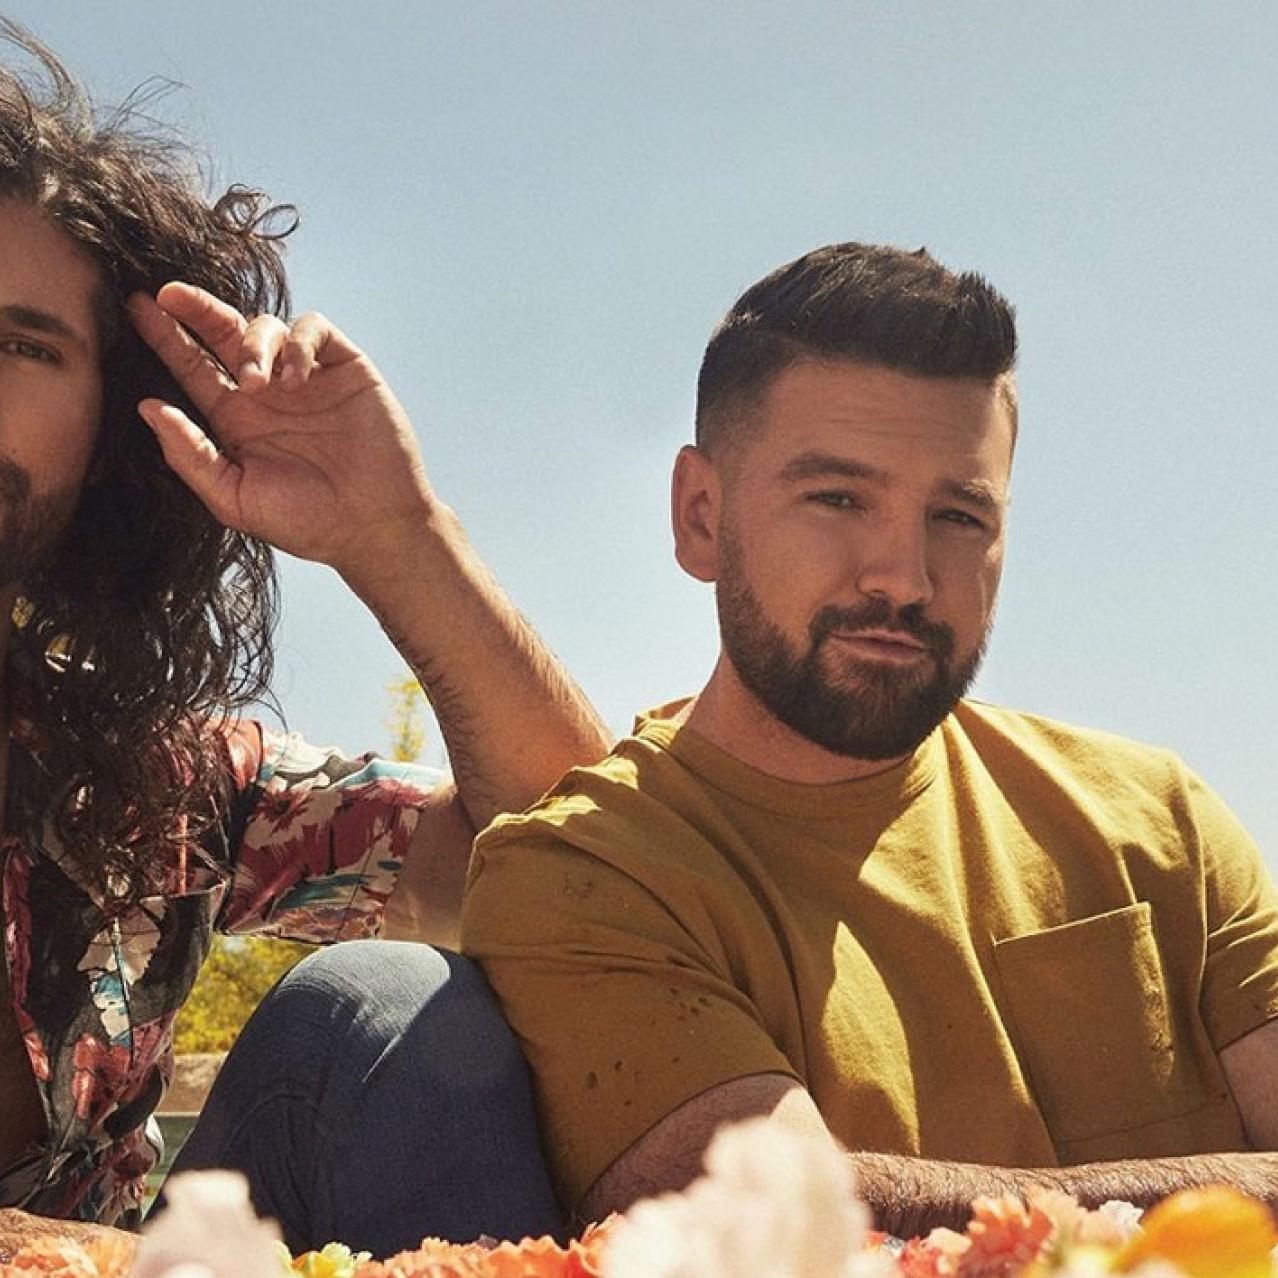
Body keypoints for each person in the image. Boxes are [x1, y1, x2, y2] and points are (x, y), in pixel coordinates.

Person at [460, 241, 1278, 1240]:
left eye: (959, 514)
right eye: (839, 498)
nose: (905, 575)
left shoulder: (1160, 819)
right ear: (700, 516)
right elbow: (777, 1228)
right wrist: (1232, 1200)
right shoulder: (585, 869)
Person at [0, 15, 608, 1243]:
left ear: (108, 430)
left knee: (384, 1011)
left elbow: (569, 854)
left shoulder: (155, 791)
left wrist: (397, 538)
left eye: (18, 345)